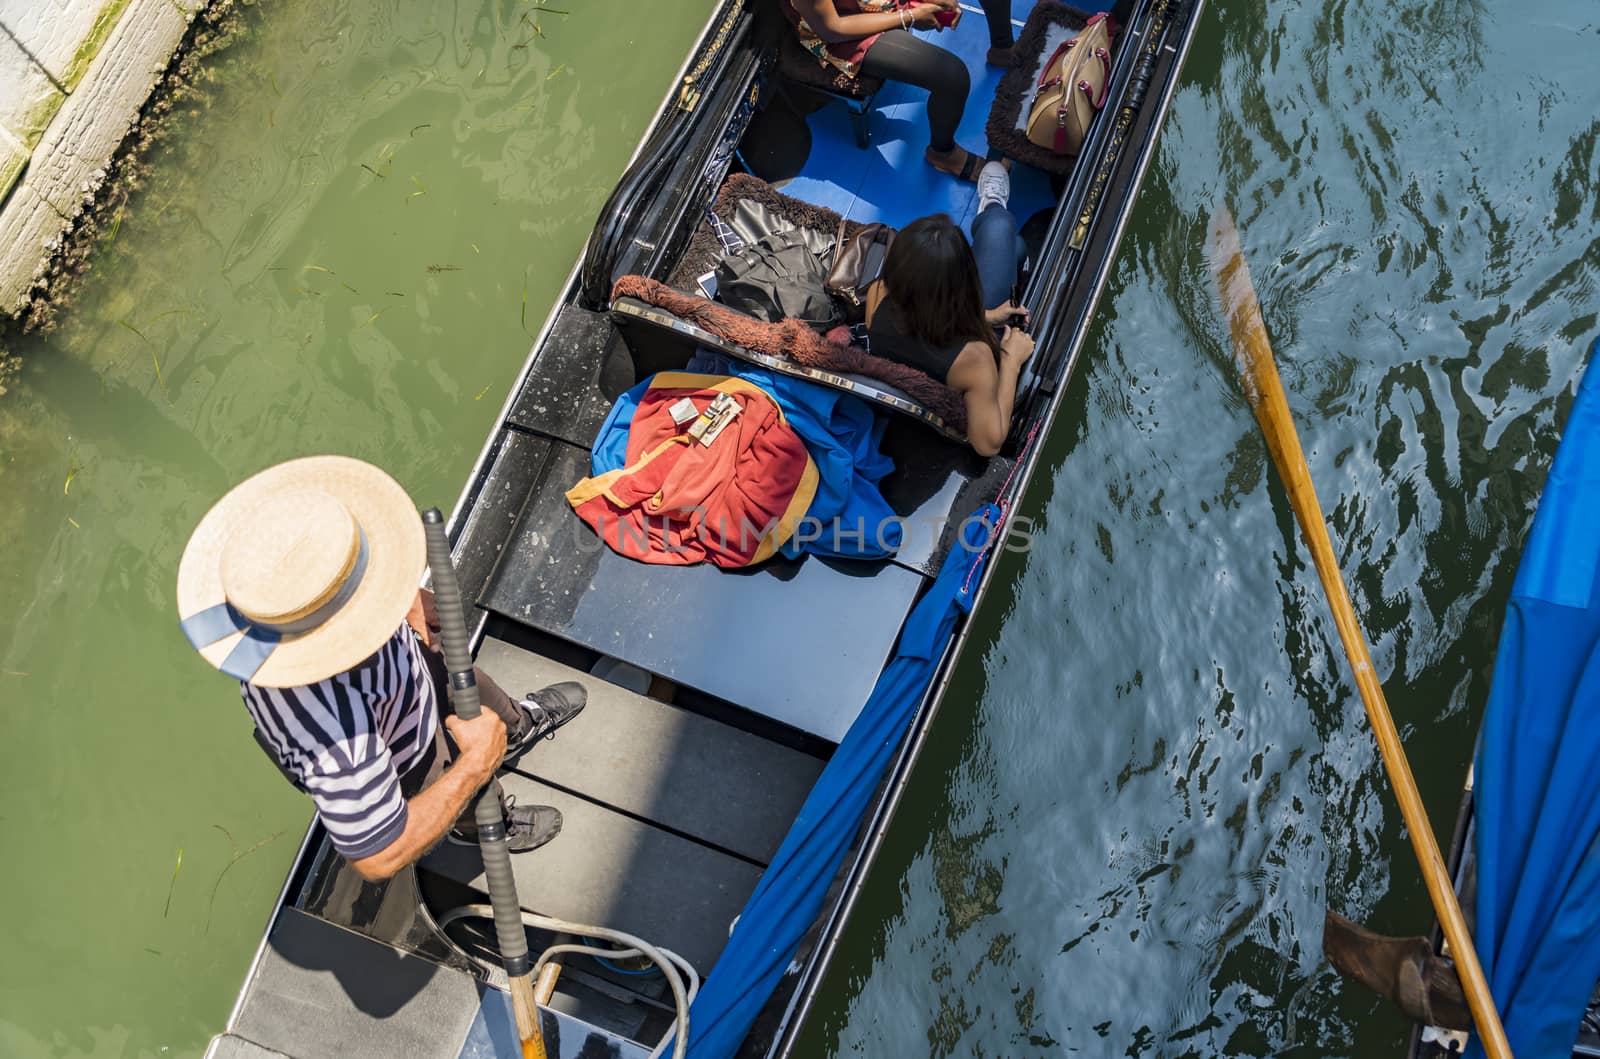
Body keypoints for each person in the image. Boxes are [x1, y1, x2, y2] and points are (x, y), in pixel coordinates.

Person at [176, 456, 587, 882]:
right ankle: (489, 825)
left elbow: (341, 572)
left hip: (411, 669)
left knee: (473, 687)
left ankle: (516, 726)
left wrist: (404, 599)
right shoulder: (329, 727)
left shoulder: (299, 580)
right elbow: (378, 854)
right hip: (408, 749)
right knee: (464, 789)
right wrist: (477, 764)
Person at [865, 161, 1034, 455]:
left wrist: (988, 315)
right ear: (966, 287)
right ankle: (994, 213)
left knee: (1015, 246)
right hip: (954, 369)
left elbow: (920, 321)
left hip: (928, 360)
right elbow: (989, 443)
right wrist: (1010, 359)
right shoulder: (975, 358)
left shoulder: (877, 294)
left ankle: (1014, 251)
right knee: (1001, 228)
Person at [784, 0, 1017, 181]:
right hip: (844, 26)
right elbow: (832, 28)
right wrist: (910, 16)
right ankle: (943, 153)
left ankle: (1003, 47)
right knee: (951, 76)